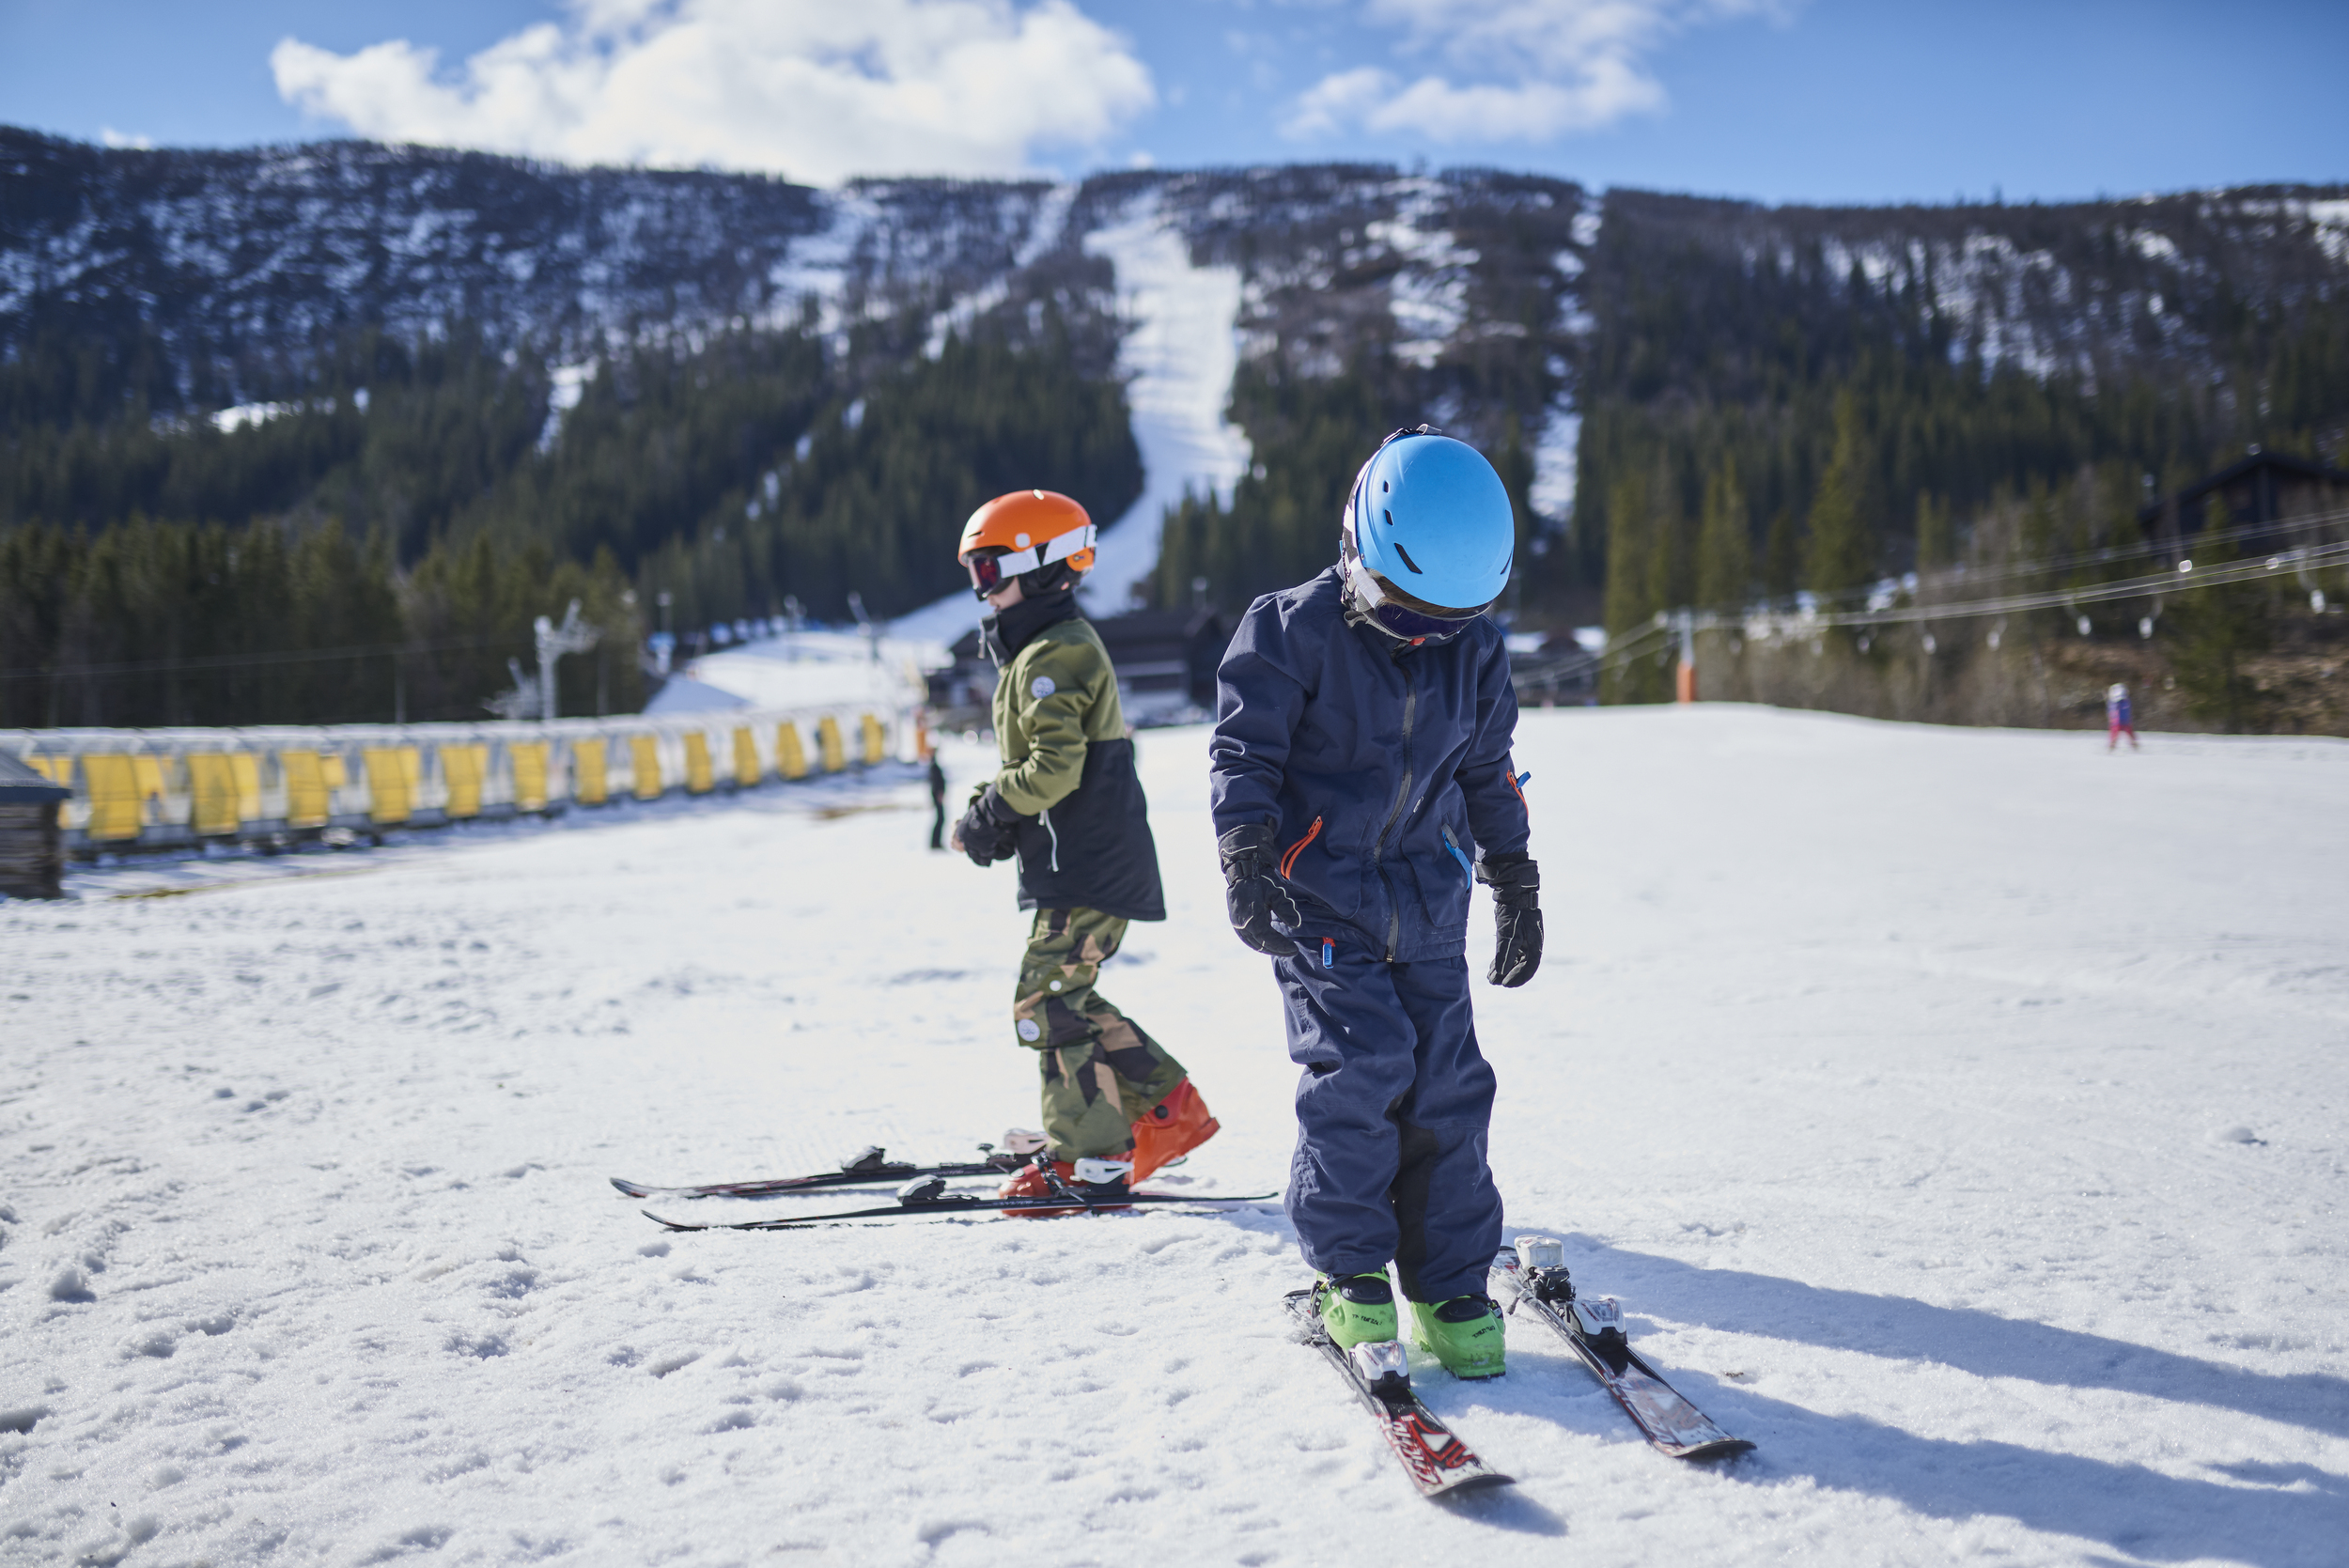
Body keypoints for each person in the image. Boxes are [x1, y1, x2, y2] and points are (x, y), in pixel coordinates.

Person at [1208, 427, 1540, 1380]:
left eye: (1455, 620)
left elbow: (1487, 766)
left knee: (1449, 1086)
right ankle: (1350, 1272)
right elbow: (1245, 757)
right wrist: (1247, 860)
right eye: (1408, 615)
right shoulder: (1287, 630)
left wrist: (1513, 877)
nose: (1430, 640)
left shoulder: (1471, 651)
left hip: (1426, 901)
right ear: (1356, 547)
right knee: (1360, 1069)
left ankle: (1448, 1284)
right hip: (1318, 903)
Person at [949, 489, 1220, 1210]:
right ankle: (1167, 1110)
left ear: (1040, 567)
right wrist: (992, 811)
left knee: (1044, 1003)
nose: (981, 590)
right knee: (1066, 996)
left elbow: (1055, 768)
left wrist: (994, 811)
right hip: (1085, 862)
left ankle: (1094, 1162)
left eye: (988, 570)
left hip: (1087, 868)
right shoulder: (1044, 648)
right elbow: (1045, 764)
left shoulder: (1054, 655)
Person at [926, 748, 948, 850]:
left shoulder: (934, 764)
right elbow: (935, 782)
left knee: (940, 819)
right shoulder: (933, 766)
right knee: (940, 819)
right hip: (937, 796)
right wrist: (938, 794)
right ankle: (935, 843)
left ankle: (936, 842)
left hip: (937, 795)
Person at [2107, 683, 2139, 751]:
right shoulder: (2113, 703)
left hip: (2124, 721)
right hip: (2117, 722)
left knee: (2130, 736)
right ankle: (2111, 747)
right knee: (2114, 736)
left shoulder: (2125, 702)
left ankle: (2135, 746)